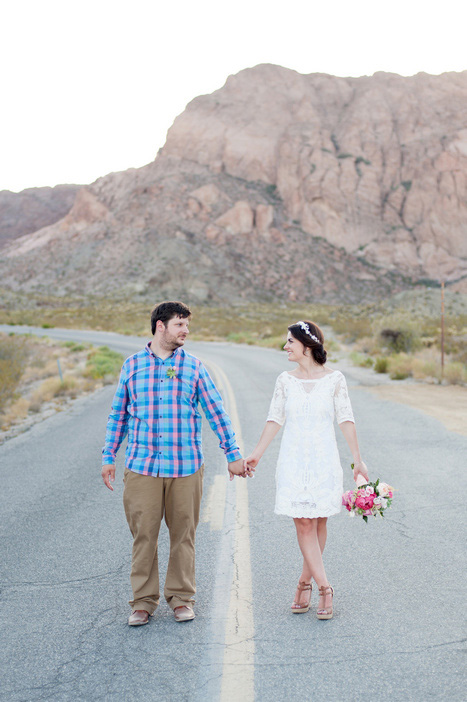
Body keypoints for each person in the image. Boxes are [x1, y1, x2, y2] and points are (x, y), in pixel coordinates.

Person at [101, 301, 246, 626]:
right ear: (160, 326)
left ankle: (181, 598)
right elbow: (118, 415)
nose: (186, 331)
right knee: (144, 536)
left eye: (187, 325)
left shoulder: (194, 367)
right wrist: (108, 456)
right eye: (180, 324)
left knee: (184, 536)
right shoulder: (132, 366)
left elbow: (216, 411)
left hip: (185, 468)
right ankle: (143, 602)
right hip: (142, 468)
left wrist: (232, 454)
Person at [244, 321, 368, 620]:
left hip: (324, 459)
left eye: (289, 342)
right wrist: (257, 454)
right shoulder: (285, 380)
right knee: (303, 524)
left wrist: (358, 460)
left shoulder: (335, 379)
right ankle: (325, 587)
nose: (285, 347)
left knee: (319, 523)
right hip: (294, 460)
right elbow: (275, 418)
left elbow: (346, 418)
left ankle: (303, 582)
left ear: (307, 345)